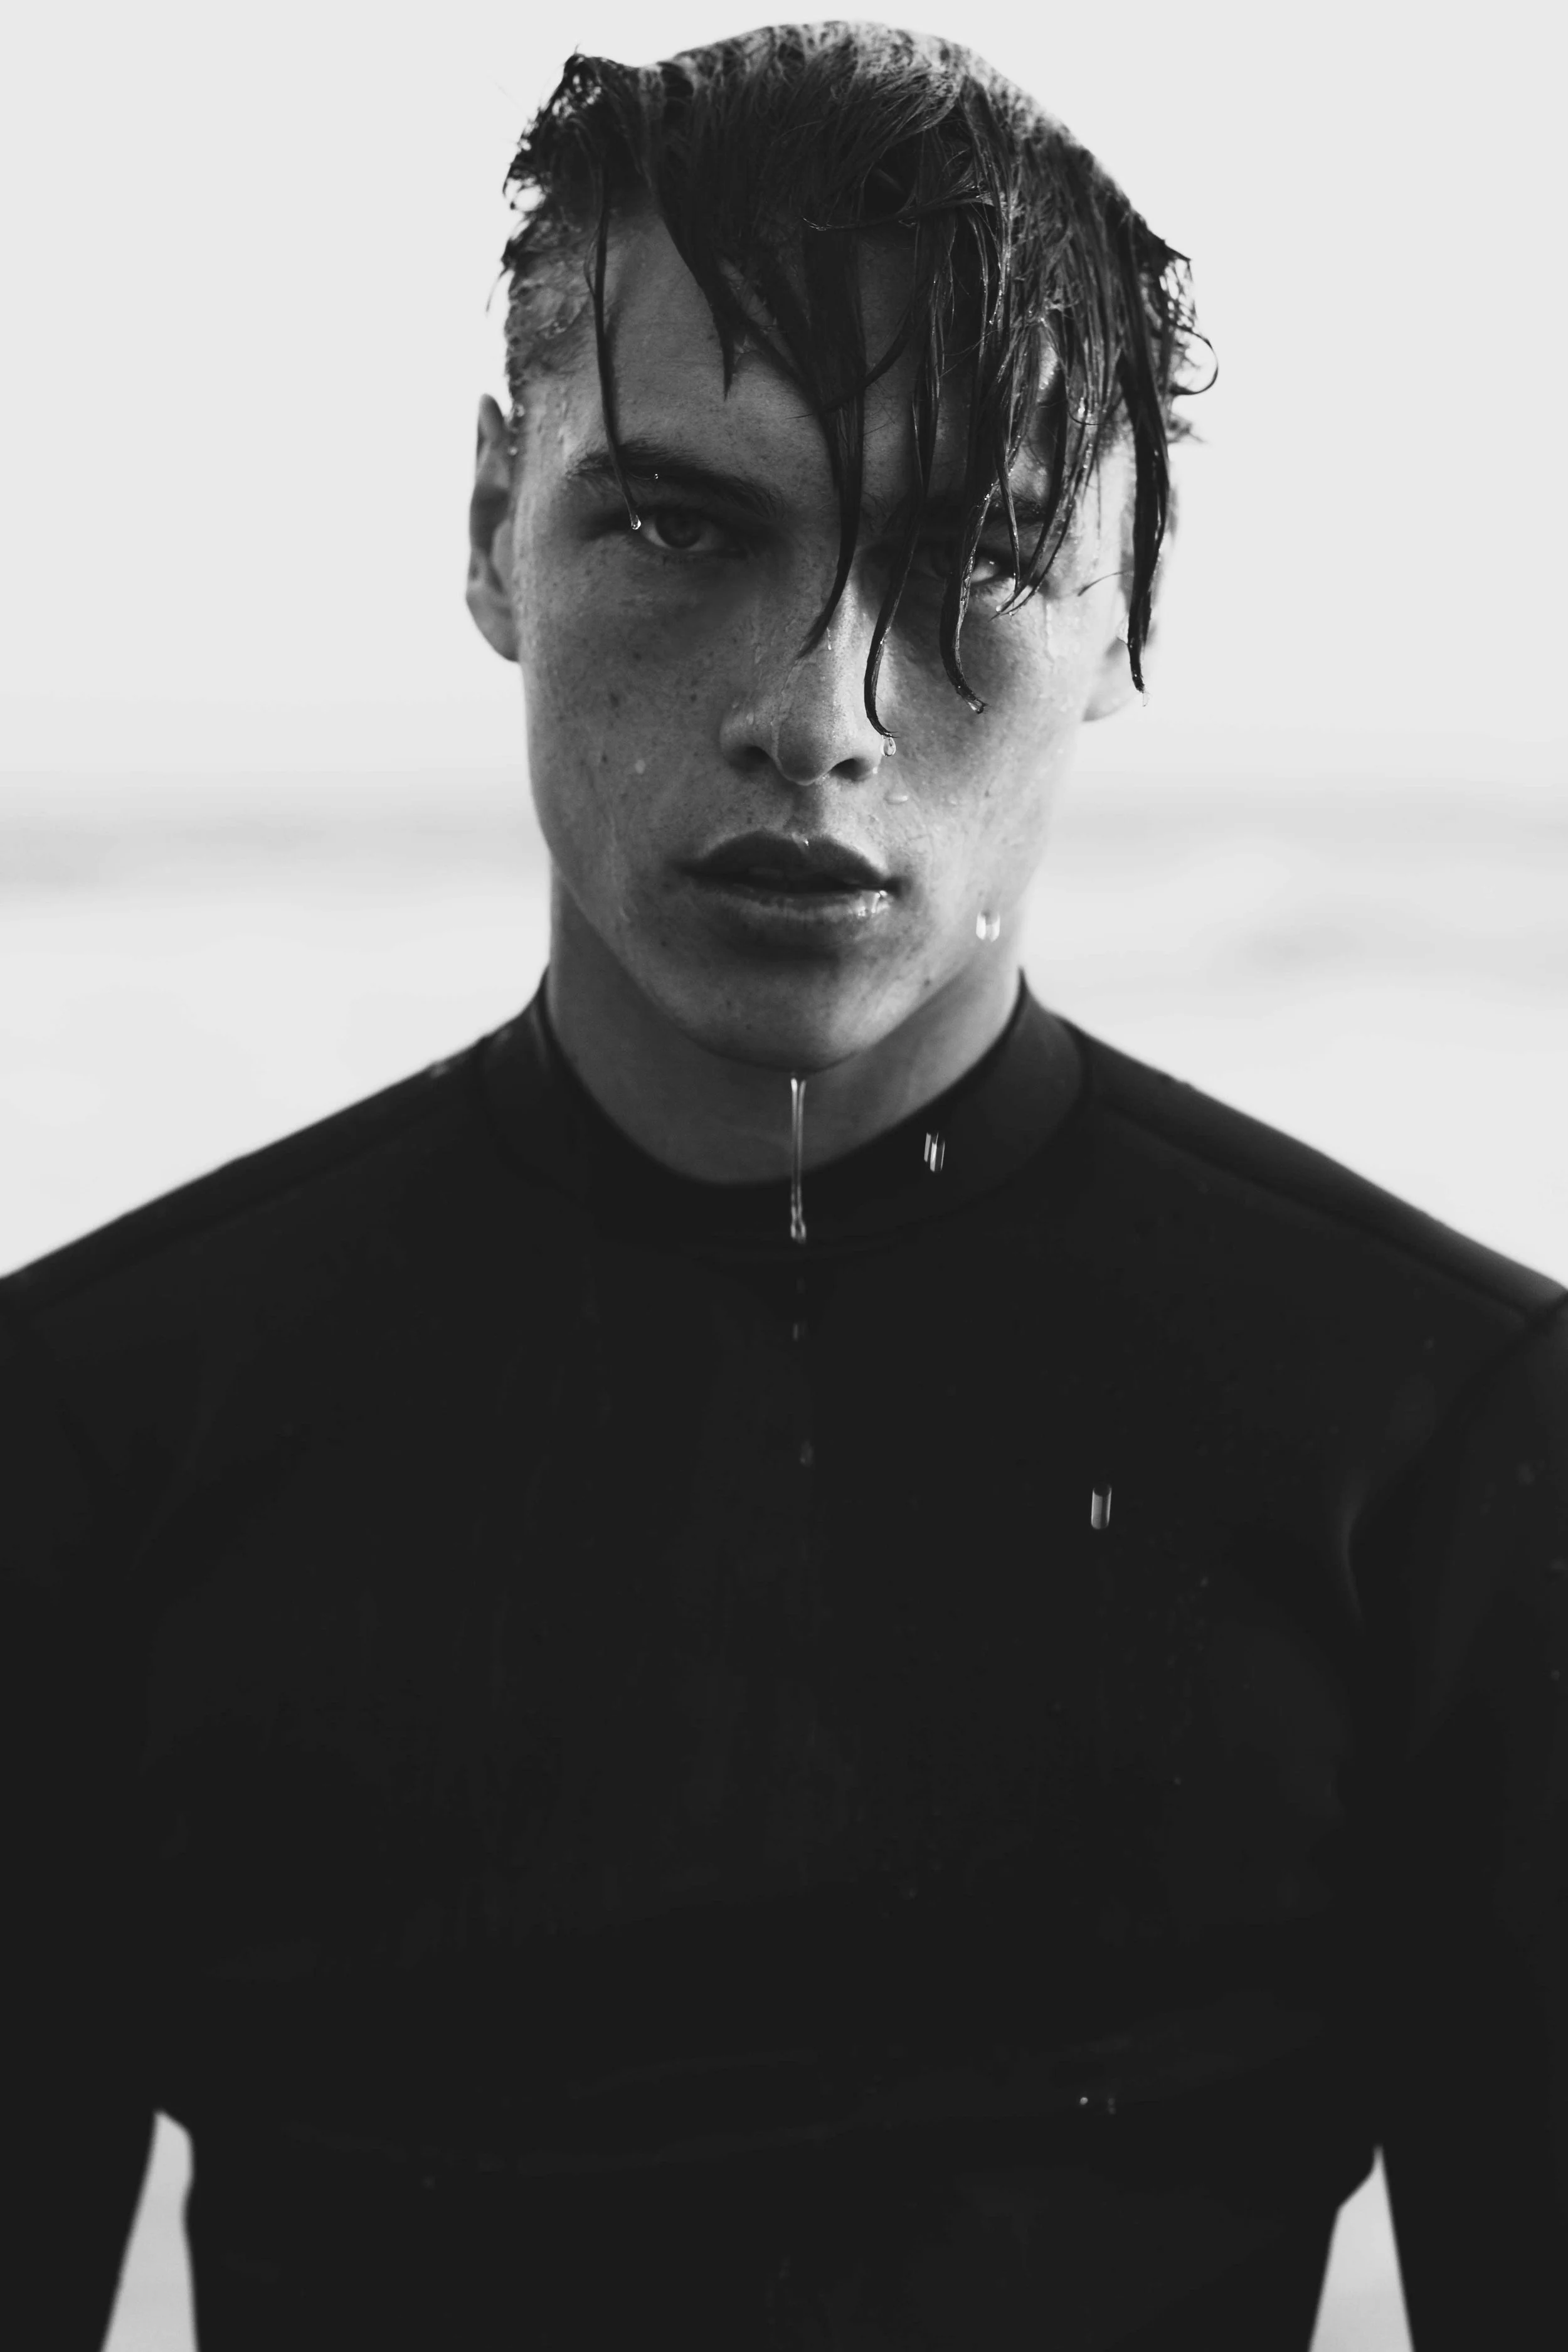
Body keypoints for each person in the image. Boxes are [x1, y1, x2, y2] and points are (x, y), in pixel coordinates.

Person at [5, 21, 1565, 2349]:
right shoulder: (95, 1438)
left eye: (969, 554)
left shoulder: (1448, 1451)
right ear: (491, 530)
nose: (817, 714)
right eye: (677, 525)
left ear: (1125, 606)